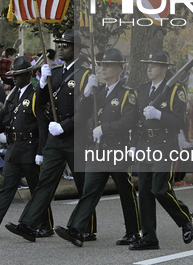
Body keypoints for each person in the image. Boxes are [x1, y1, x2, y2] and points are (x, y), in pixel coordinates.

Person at [5, 30, 96, 243]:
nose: (61, 47)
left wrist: (64, 126)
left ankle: (86, 228)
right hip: (56, 137)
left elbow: (85, 112)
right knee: (45, 182)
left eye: (67, 44)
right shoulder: (54, 73)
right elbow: (40, 105)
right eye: (60, 44)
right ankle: (28, 224)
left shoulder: (85, 75)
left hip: (75, 136)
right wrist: (44, 83)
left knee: (84, 185)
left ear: (77, 50)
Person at [55, 48, 140, 247]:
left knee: (125, 192)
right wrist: (86, 93)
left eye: (108, 65)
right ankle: (76, 229)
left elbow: (129, 120)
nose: (104, 68)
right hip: (99, 150)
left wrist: (105, 128)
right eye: (102, 64)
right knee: (89, 190)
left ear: (120, 69)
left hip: (117, 148)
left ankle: (133, 231)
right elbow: (81, 112)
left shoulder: (128, 94)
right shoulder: (98, 91)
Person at [0, 56, 54, 239]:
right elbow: (5, 114)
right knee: (6, 189)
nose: (14, 78)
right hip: (15, 148)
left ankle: (45, 225)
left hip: (31, 149)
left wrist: (41, 152)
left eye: (18, 74)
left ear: (29, 74)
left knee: (37, 190)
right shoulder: (14, 94)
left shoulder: (35, 94)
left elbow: (42, 125)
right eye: (13, 74)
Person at [129, 49, 193, 251]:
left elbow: (179, 122)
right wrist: (133, 144)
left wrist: (158, 115)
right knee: (145, 192)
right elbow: (137, 120)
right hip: (145, 145)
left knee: (160, 189)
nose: (149, 68)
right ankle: (149, 237)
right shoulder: (141, 90)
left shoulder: (176, 90)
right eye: (148, 65)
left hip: (165, 145)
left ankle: (185, 219)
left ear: (165, 69)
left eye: (154, 66)